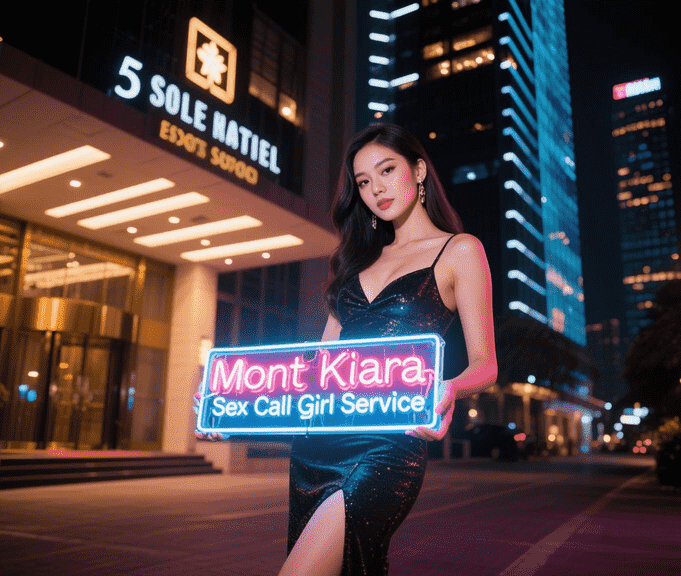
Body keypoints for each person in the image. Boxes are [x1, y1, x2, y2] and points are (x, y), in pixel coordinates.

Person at [202, 123, 497, 576]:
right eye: (363, 181)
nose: (376, 188)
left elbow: (486, 365)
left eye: (386, 170)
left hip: (387, 447)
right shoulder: (354, 261)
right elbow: (317, 373)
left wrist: (448, 389)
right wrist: (230, 411)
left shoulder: (459, 251)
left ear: (418, 171)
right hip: (314, 451)